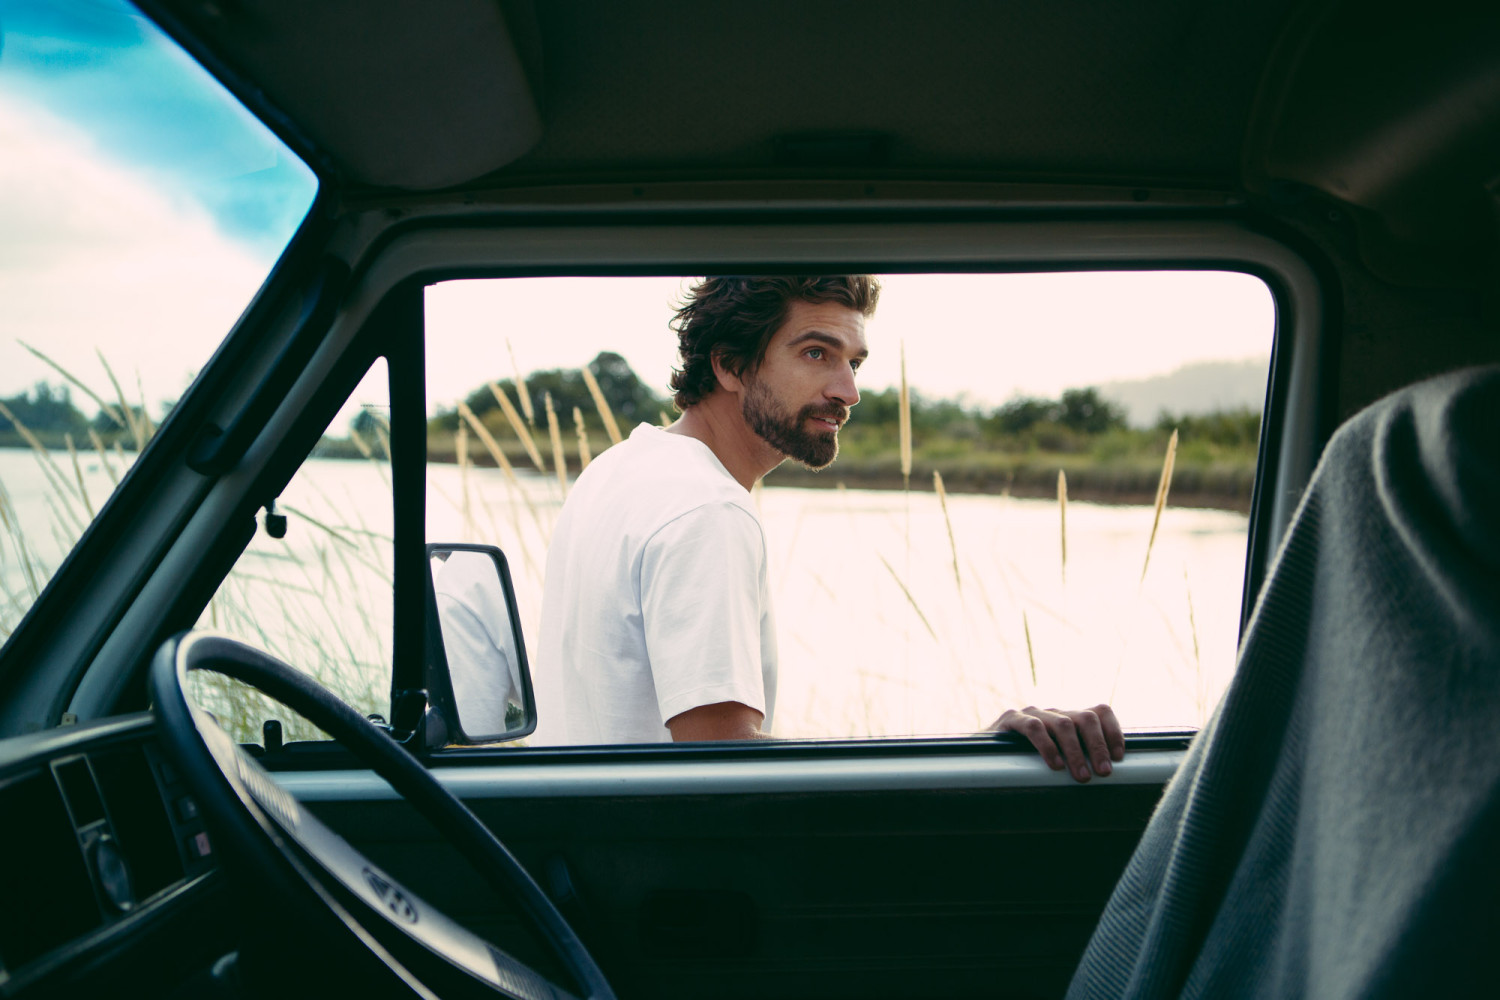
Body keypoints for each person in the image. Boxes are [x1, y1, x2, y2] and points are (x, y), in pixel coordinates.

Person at [538, 276, 1124, 782]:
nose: (848, 391)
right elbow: (720, 759)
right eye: (817, 353)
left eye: (854, 362)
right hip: (669, 884)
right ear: (729, 365)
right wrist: (970, 751)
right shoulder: (707, 510)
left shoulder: (616, 468)